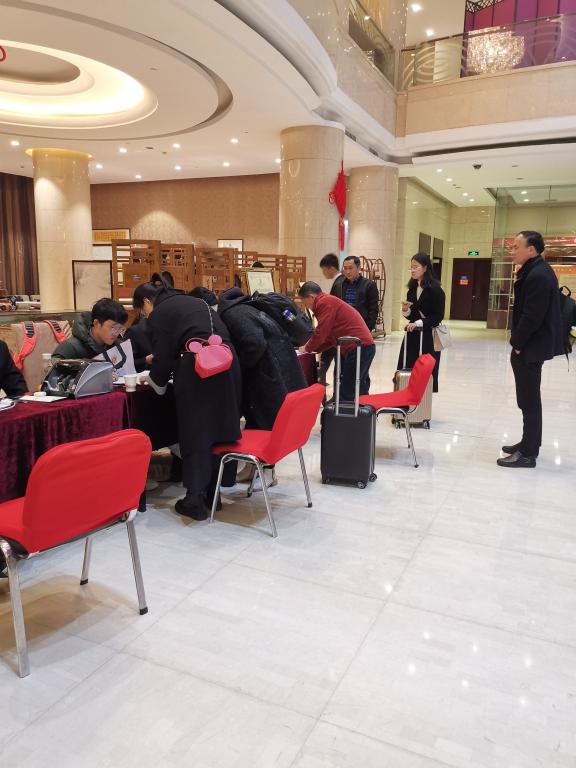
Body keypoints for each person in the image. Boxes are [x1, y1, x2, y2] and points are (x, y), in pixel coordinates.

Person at [133, 280, 241, 519]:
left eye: (142, 311)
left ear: (147, 302)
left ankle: (194, 501)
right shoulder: (192, 302)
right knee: (217, 431)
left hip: (199, 368)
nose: (145, 317)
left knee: (196, 433)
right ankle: (213, 495)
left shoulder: (160, 312)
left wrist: (154, 381)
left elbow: (163, 357)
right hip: (227, 361)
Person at [497, 231, 562, 469]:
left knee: (529, 400)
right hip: (531, 346)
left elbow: (531, 316)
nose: (512, 251)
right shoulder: (534, 271)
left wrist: (517, 344)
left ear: (531, 250)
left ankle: (528, 453)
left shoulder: (538, 275)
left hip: (530, 347)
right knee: (528, 399)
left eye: (516, 247)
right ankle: (529, 442)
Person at [218, 287, 306, 430]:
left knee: (266, 422)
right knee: (281, 418)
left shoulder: (233, 313)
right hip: (282, 362)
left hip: (267, 371)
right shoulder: (251, 307)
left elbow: (255, 342)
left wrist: (241, 364)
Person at [298, 281, 375, 402]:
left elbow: (321, 332)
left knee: (348, 390)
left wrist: (307, 348)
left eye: (304, 302)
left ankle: (345, 413)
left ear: (311, 297)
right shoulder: (327, 301)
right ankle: (363, 411)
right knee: (358, 387)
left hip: (358, 347)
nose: (306, 306)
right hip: (361, 347)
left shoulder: (324, 303)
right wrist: (314, 350)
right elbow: (330, 337)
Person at [398, 252, 446, 393]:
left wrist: (418, 323)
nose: (412, 270)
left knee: (425, 370)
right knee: (408, 366)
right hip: (412, 335)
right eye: (411, 267)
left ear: (425, 268)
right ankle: (407, 395)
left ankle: (423, 399)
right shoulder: (412, 289)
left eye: (415, 267)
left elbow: (438, 316)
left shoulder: (436, 290)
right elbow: (412, 315)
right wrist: (406, 311)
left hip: (428, 337)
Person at [52, 298, 127, 360]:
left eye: (120, 328)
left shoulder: (119, 346)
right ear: (96, 323)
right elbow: (52, 371)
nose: (116, 333)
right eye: (113, 328)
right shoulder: (70, 348)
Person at [331, 255, 379, 332]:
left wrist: (368, 328)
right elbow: (332, 305)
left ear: (359, 268)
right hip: (341, 326)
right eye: (345, 268)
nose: (347, 272)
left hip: (360, 326)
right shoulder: (338, 284)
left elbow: (373, 309)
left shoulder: (369, 285)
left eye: (350, 268)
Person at [318, 253, 345, 386]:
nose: (323, 273)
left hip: (336, 330)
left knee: (326, 360)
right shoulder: (340, 281)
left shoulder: (339, 283)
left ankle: (320, 387)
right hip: (337, 330)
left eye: (324, 269)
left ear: (331, 268)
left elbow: (335, 308)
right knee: (328, 360)